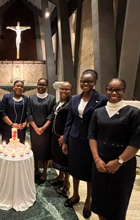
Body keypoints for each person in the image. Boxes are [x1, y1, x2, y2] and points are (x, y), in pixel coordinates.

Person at [88, 78, 140, 220]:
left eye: (118, 89)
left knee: (118, 203)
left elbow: (135, 142)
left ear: (124, 90)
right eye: (110, 89)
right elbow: (92, 136)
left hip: (123, 166)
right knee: (100, 201)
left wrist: (119, 161)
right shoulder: (98, 112)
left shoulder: (133, 113)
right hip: (100, 164)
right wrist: (97, 160)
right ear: (106, 91)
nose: (114, 92)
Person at [62, 69, 107, 218]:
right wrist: (66, 140)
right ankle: (75, 195)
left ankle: (89, 200)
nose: (85, 83)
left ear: (95, 82)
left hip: (91, 141)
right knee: (74, 168)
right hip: (75, 139)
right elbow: (70, 121)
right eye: (82, 81)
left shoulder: (101, 100)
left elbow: (102, 122)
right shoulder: (75, 99)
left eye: (89, 81)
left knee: (89, 173)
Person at [27, 78, 56, 183]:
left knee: (45, 150)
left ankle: (44, 171)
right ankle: (36, 169)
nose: (41, 86)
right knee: (35, 149)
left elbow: (52, 114)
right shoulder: (31, 98)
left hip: (46, 130)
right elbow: (29, 113)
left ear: (47, 86)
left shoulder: (52, 98)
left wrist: (43, 128)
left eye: (43, 85)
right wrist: (35, 128)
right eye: (39, 84)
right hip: (34, 130)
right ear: (36, 85)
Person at [50, 82, 72, 196]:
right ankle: (60, 177)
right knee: (59, 158)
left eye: (67, 89)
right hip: (55, 134)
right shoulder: (60, 102)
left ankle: (66, 184)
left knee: (65, 159)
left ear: (71, 91)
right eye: (62, 89)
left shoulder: (72, 103)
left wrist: (65, 136)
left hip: (63, 136)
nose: (64, 91)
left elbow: (72, 121)